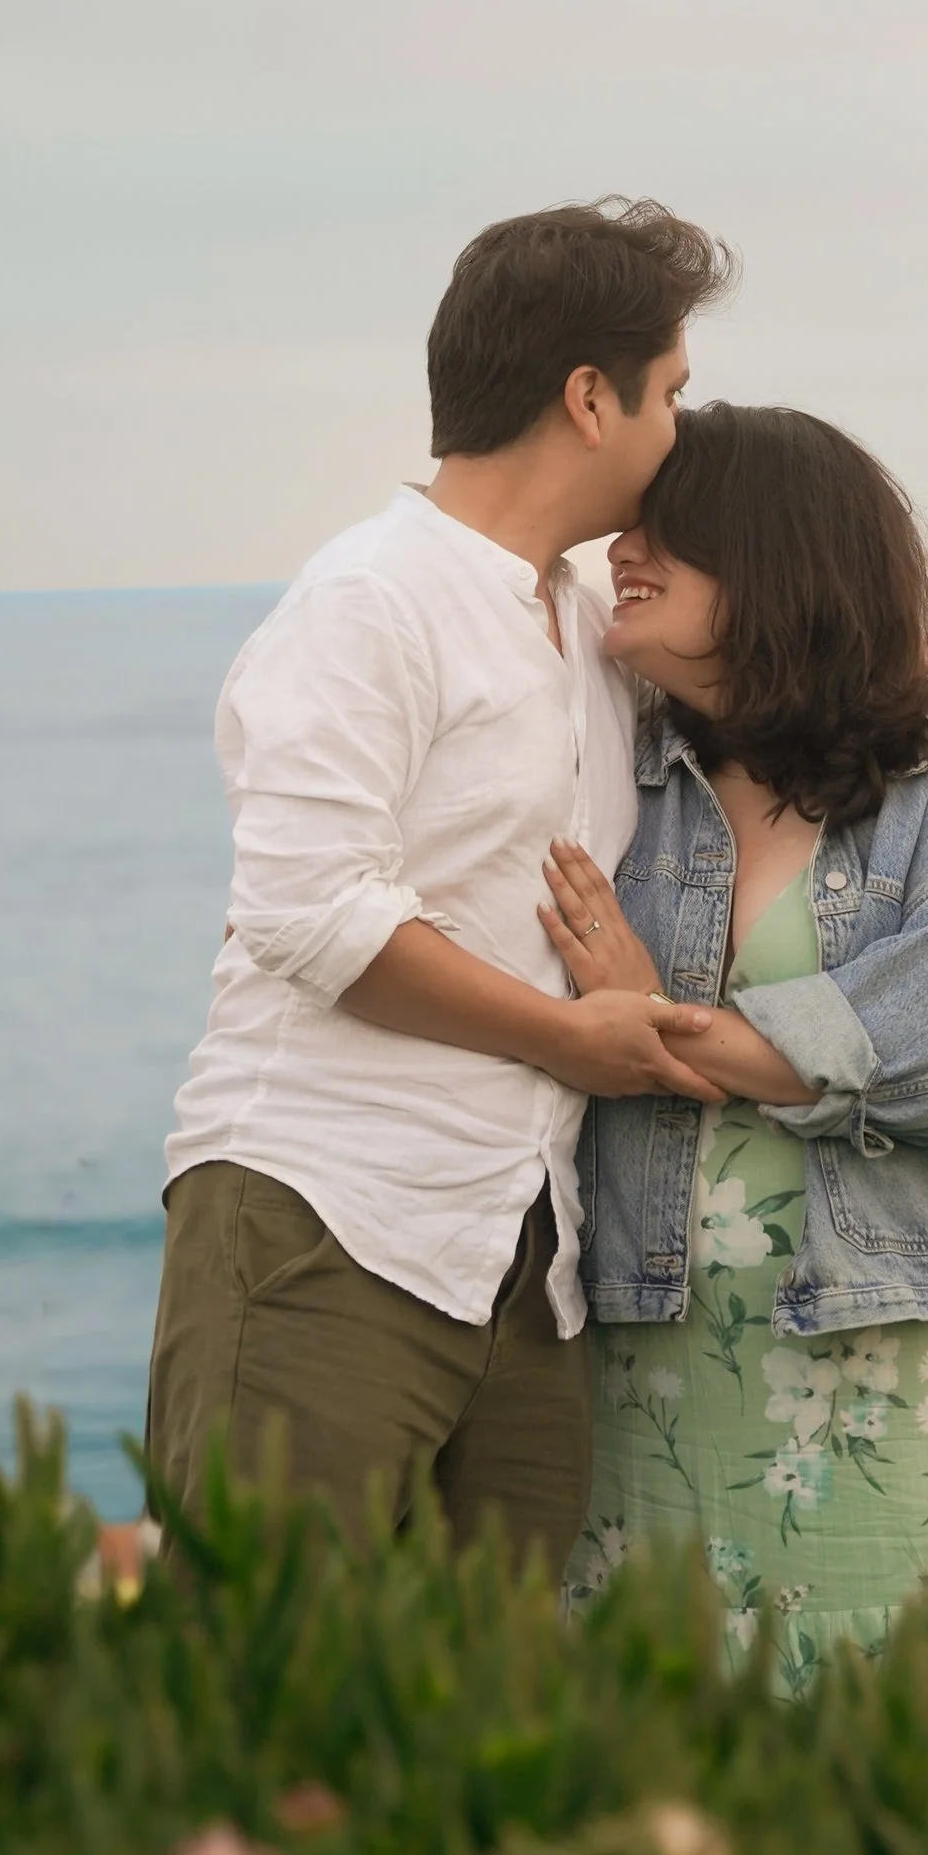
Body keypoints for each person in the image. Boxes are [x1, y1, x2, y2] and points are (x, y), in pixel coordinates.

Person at [144, 197, 735, 1573]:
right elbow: (307, 912)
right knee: (259, 1685)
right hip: (326, 1213)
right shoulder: (371, 599)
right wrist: (570, 1035)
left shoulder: (589, 629)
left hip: (523, 1252)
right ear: (592, 398)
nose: (678, 437)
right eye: (672, 397)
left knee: (480, 1724)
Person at [543, 402, 928, 1691]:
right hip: (649, 1346)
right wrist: (728, 1044)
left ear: (779, 555)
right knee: (673, 1748)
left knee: (925, 1739)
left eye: (669, 527)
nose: (623, 542)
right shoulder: (612, 765)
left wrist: (651, 1024)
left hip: (899, 1346)